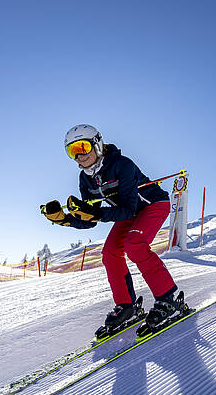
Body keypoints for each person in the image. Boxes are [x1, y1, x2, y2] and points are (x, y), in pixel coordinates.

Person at [41, 124, 181, 334]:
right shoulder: (85, 178)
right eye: (72, 151)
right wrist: (65, 220)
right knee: (110, 253)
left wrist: (96, 214)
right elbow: (90, 219)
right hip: (128, 212)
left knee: (135, 245)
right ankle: (127, 306)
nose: (79, 155)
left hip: (152, 204)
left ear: (96, 144)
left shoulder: (122, 165)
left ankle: (168, 300)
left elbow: (125, 209)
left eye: (82, 147)